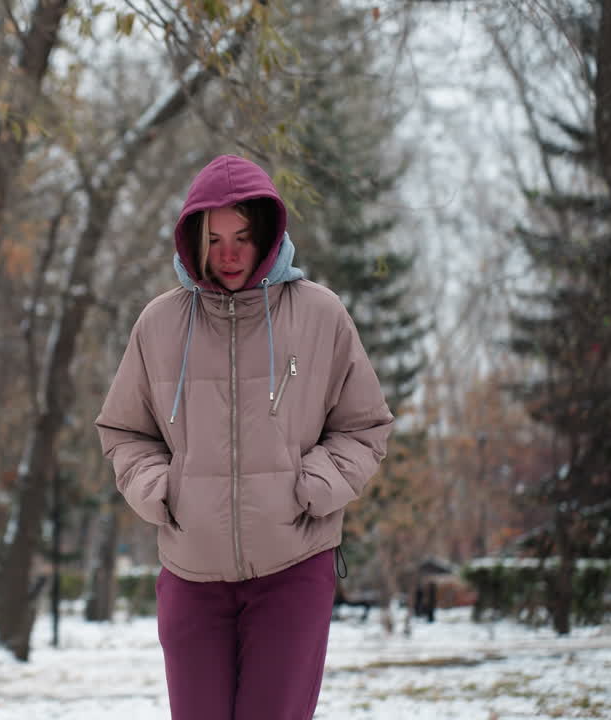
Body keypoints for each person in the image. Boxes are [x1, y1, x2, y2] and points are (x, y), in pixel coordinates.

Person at [95, 155, 394, 720]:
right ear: (194, 240)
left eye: (243, 236)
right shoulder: (159, 324)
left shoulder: (319, 314)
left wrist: (312, 487)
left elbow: (364, 424)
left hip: (294, 564)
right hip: (191, 571)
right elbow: (124, 430)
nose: (229, 253)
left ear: (268, 235)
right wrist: (163, 490)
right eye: (215, 238)